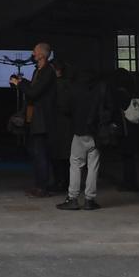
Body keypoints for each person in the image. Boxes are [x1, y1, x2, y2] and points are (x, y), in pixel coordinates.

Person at [10, 42, 63, 197]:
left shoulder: (47, 72)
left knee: (40, 154)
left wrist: (20, 84)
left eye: (35, 51)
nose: (33, 54)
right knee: (36, 153)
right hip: (35, 118)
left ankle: (42, 187)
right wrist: (21, 81)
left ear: (41, 54)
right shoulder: (38, 71)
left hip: (43, 120)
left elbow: (34, 92)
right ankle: (39, 184)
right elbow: (33, 89)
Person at [57, 64, 108, 211]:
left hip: (79, 131)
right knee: (94, 166)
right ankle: (89, 200)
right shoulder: (101, 87)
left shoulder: (74, 88)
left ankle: (72, 198)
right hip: (97, 133)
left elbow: (65, 108)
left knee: (75, 164)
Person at [108, 67, 139, 193]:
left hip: (124, 129)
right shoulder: (132, 92)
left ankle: (129, 183)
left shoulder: (118, 94)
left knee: (126, 158)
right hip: (133, 128)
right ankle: (131, 183)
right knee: (130, 158)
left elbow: (115, 110)